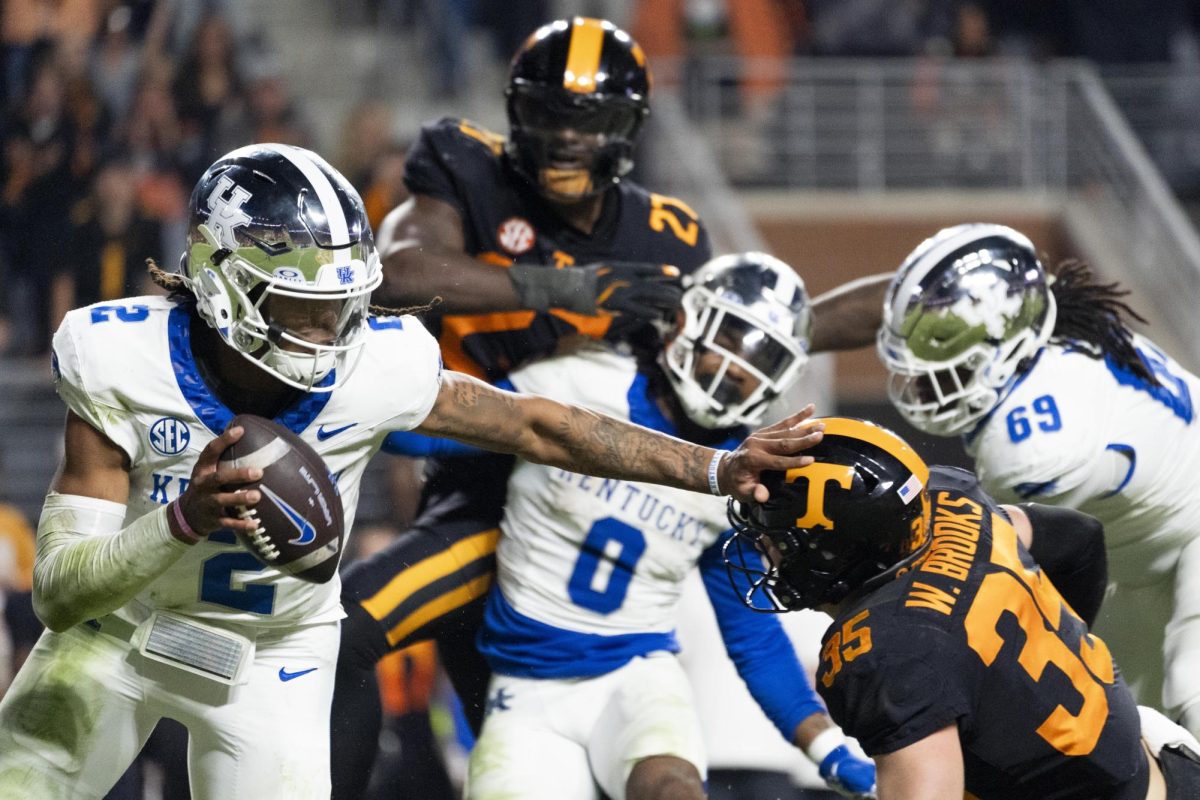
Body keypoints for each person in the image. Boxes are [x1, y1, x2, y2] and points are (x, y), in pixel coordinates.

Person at [0, 143, 823, 800]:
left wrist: (715, 467)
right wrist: (183, 520)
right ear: (221, 282)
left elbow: (540, 424)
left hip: (274, 656)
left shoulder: (377, 363)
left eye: (344, 306)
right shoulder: (118, 354)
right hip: (115, 634)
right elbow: (59, 593)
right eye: (303, 307)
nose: (331, 333)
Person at [333, 17, 713, 796]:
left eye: (592, 123)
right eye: (551, 118)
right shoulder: (465, 163)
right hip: (475, 480)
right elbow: (395, 274)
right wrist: (567, 287)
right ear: (515, 113)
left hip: (579, 506)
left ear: (628, 127)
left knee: (353, 636)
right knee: (477, 733)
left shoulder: (670, 236)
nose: (569, 142)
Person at [465, 253, 875, 799]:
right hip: (526, 686)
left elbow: (751, 635)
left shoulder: (741, 469)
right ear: (686, 321)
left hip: (637, 674)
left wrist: (830, 751)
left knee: (673, 791)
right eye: (731, 338)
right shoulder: (579, 379)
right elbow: (433, 424)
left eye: (763, 356)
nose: (738, 368)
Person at [723, 416, 1200, 798]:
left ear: (833, 548)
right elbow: (1079, 539)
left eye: (780, 537)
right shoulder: (948, 502)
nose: (768, 548)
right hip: (1167, 765)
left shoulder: (887, 647)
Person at [875, 223, 1200, 736]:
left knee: (1191, 685)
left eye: (942, 358)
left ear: (1004, 342)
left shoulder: (1028, 444)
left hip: (1181, 540)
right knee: (1126, 726)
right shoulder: (1051, 333)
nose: (918, 380)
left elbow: (978, 555)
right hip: (1155, 556)